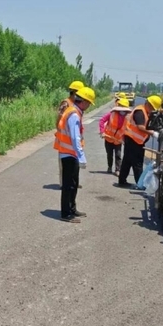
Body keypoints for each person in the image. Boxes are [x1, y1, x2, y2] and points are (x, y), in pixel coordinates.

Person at [54, 86, 96, 223]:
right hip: (68, 154)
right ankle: (66, 213)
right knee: (68, 185)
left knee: (74, 183)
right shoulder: (73, 114)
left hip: (70, 154)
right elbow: (75, 137)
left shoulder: (75, 112)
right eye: (89, 103)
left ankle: (72, 208)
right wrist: (81, 156)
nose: (89, 106)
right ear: (83, 101)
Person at [118, 95, 162, 187]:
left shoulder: (145, 111)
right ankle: (140, 184)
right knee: (137, 162)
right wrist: (152, 133)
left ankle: (122, 180)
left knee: (127, 161)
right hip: (133, 140)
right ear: (148, 104)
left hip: (134, 140)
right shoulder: (140, 112)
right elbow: (140, 127)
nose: (153, 110)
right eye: (152, 108)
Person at [56, 80, 85, 188]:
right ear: (74, 92)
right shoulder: (66, 103)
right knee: (64, 164)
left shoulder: (77, 104)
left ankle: (74, 182)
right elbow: (59, 119)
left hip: (74, 138)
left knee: (75, 162)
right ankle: (63, 184)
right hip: (65, 138)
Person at [98, 97, 132, 174]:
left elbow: (129, 129)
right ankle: (109, 166)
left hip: (118, 140)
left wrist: (126, 139)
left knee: (118, 155)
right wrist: (102, 132)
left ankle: (117, 169)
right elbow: (102, 121)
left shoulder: (128, 117)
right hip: (108, 138)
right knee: (109, 154)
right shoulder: (111, 114)